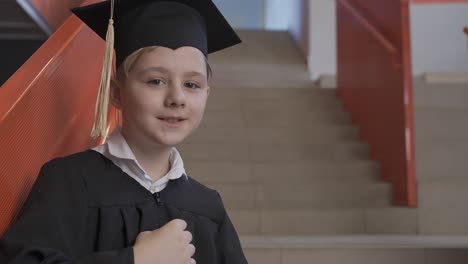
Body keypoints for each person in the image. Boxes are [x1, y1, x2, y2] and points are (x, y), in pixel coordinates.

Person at [0, 0, 247, 263]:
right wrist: (135, 259)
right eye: (156, 81)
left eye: (192, 84)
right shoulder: (69, 181)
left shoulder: (208, 207)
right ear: (117, 92)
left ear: (207, 94)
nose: (177, 98)